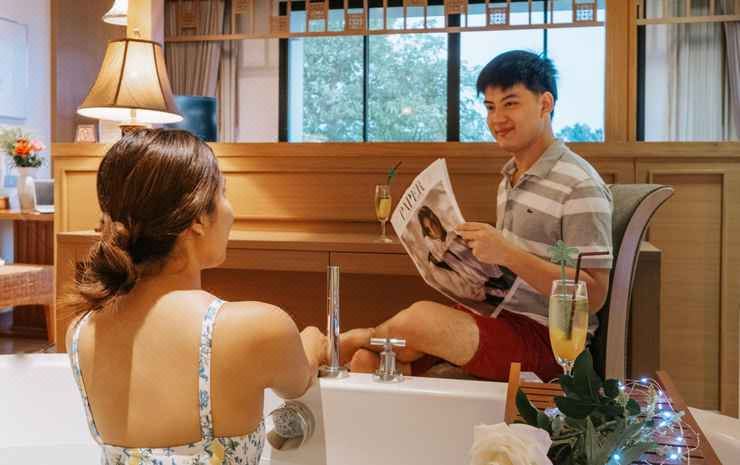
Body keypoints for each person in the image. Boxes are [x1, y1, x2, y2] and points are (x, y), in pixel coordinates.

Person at [341, 50, 613, 382]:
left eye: (510, 104)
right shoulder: (510, 177)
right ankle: (356, 347)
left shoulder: (579, 185)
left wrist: (508, 254)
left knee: (418, 320)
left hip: (548, 340)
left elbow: (593, 294)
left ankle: (345, 340)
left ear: (545, 104)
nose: (498, 119)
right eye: (490, 107)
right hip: (500, 318)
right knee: (365, 363)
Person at [64, 129, 326, 465]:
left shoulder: (81, 333)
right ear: (199, 218)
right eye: (224, 193)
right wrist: (314, 339)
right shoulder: (257, 329)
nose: (231, 212)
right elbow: (298, 381)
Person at [417, 205, 516, 308]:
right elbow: (463, 290)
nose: (433, 231)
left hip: (500, 273)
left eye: (433, 224)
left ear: (437, 220)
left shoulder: (456, 235)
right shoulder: (435, 262)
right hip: (487, 292)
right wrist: (491, 292)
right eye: (428, 229)